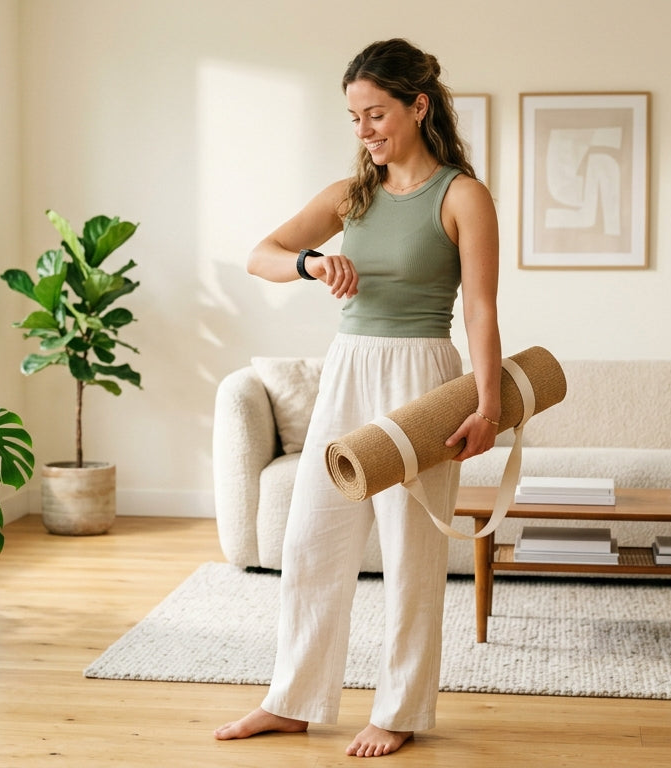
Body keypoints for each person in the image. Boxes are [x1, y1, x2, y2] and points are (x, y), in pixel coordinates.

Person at [213, 38, 502, 758]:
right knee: (311, 539)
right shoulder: (354, 196)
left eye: (376, 114)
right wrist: (312, 263)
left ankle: (400, 710)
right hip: (348, 370)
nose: (365, 130)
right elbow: (262, 254)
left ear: (418, 106)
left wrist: (488, 405)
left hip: (423, 379)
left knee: (411, 551)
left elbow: (482, 311)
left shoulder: (461, 194)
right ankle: (293, 699)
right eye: (354, 118)